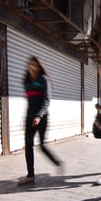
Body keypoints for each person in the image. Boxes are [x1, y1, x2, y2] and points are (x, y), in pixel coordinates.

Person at [17, 56, 63, 185]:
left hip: (42, 118)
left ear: (39, 67)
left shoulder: (43, 79)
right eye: (30, 64)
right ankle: (30, 175)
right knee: (28, 145)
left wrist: (38, 116)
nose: (32, 67)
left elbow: (46, 100)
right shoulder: (26, 81)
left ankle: (57, 162)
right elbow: (30, 102)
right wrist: (28, 117)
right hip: (29, 117)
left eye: (35, 65)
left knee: (42, 146)